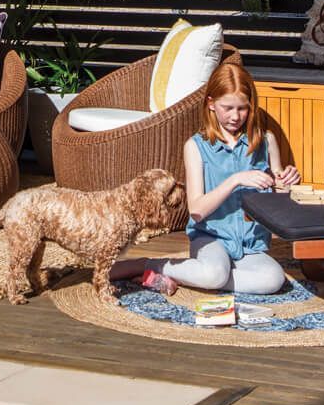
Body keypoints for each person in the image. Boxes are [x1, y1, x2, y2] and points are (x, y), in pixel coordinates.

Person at [117, 61, 298, 296]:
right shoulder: (196, 147)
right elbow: (197, 211)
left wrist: (286, 186)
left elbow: (279, 200)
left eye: (242, 108)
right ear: (211, 104)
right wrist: (235, 179)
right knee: (214, 274)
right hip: (211, 237)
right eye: (228, 108)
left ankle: (187, 275)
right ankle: (149, 265)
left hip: (250, 245)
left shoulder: (266, 141)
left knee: (273, 280)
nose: (236, 116)